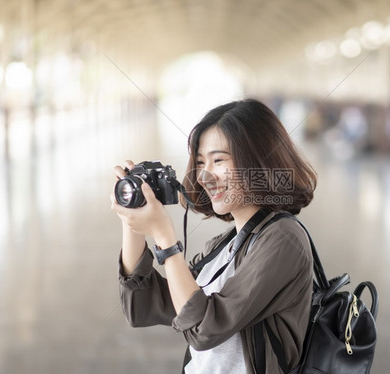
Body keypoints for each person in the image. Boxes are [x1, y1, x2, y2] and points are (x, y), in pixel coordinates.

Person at [110, 99, 317, 373]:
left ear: (258, 160)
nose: (205, 176)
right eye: (199, 162)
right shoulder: (225, 245)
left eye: (218, 160)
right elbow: (141, 305)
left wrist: (165, 238)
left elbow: (203, 329)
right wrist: (131, 213)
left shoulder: (284, 239)